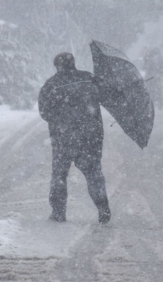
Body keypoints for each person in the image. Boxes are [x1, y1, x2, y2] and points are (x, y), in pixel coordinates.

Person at [38, 52, 111, 224]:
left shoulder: (51, 85)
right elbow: (107, 95)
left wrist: (60, 120)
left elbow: (44, 112)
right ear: (73, 63)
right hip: (91, 136)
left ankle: (58, 212)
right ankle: (103, 206)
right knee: (93, 173)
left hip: (63, 138)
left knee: (59, 175)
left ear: (57, 66)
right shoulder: (89, 79)